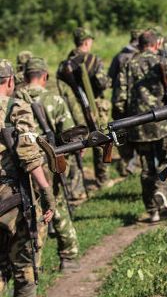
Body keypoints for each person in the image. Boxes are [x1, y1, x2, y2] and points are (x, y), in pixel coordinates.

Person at [17, 57, 81, 272]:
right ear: (44, 76)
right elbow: (71, 134)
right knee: (56, 206)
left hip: (21, 165)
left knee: (27, 211)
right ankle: (69, 256)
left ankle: (33, 262)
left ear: (25, 77)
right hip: (50, 164)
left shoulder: (14, 101)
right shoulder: (54, 100)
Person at [0, 59, 55, 297]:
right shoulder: (16, 106)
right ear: (11, 81)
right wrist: (47, 192)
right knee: (25, 271)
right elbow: (29, 156)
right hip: (12, 200)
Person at [114, 29, 167, 223]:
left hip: (138, 124)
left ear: (139, 44)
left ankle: (152, 210)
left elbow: (119, 99)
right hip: (165, 122)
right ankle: (161, 190)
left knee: (146, 168)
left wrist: (122, 124)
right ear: (156, 44)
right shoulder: (164, 62)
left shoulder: (128, 64)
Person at [57, 27, 110, 189]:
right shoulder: (93, 60)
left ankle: (76, 184)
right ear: (87, 42)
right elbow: (102, 82)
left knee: (76, 144)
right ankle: (102, 179)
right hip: (94, 107)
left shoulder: (65, 63)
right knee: (101, 140)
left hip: (73, 110)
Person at [109, 29, 141, 177]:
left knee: (122, 132)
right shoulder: (140, 57)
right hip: (136, 100)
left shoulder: (119, 56)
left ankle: (128, 161)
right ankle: (133, 162)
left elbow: (110, 79)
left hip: (119, 99)